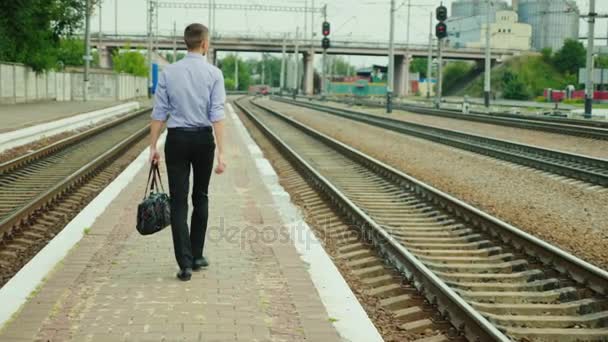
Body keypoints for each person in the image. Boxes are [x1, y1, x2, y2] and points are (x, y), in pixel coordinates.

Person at [149, 23, 226, 281]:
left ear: (186, 43)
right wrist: (222, 153)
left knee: (179, 200)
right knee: (201, 196)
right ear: (204, 44)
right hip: (203, 140)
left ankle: (184, 264)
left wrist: (153, 147)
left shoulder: (169, 73)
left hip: (177, 140)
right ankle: (197, 254)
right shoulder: (214, 74)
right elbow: (217, 115)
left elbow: (159, 113)